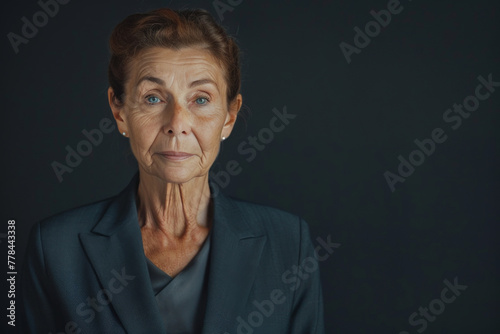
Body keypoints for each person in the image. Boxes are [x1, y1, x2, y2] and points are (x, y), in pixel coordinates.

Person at [21, 8, 325, 334]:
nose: (177, 124)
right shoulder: (55, 248)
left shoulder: (288, 243)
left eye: (201, 99)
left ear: (229, 116)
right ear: (120, 111)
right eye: (153, 98)